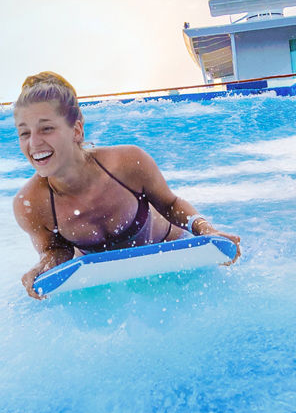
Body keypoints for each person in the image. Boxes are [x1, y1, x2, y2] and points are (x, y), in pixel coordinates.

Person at [12, 72, 241, 299]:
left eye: (46, 129)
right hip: (107, 282)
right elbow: (56, 250)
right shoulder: (31, 203)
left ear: (77, 130)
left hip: (171, 257)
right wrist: (43, 266)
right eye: (24, 133)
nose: (34, 143)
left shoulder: (126, 163)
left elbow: (170, 205)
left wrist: (206, 230)